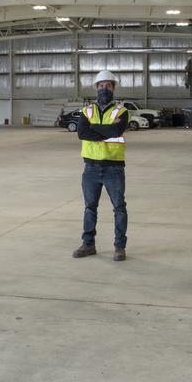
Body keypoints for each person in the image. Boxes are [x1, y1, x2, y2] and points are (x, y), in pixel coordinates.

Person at [73, 69, 129, 261]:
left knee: (119, 208)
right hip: (90, 168)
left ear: (113, 88)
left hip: (114, 168)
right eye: (101, 85)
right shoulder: (86, 110)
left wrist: (94, 128)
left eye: (108, 85)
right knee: (90, 208)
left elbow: (116, 130)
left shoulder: (121, 111)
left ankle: (119, 247)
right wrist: (106, 131)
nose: (104, 88)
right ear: (96, 88)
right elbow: (82, 133)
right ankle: (88, 244)